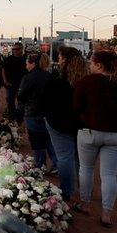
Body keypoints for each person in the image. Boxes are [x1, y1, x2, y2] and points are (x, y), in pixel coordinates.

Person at [73, 51, 117, 227]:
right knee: (109, 174)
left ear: (99, 65)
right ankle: (106, 214)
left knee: (86, 169)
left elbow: (76, 107)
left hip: (89, 131)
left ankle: (85, 204)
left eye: (92, 63)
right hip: (116, 134)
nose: (90, 65)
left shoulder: (86, 82)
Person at [42, 46, 86, 202]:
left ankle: (66, 190)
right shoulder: (85, 81)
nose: (58, 60)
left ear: (65, 60)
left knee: (64, 157)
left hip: (58, 123)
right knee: (81, 159)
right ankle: (84, 191)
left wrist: (47, 117)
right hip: (81, 124)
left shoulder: (58, 80)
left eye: (60, 57)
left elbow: (46, 100)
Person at [18, 53, 57, 171]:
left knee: (36, 140)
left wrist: (19, 114)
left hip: (32, 112)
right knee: (49, 139)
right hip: (48, 113)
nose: (26, 65)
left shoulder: (28, 77)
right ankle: (56, 163)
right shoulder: (49, 76)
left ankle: (40, 165)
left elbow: (21, 96)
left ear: (32, 64)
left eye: (27, 63)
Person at [1, 43, 27, 122]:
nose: (15, 51)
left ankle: (19, 119)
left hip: (22, 85)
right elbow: (3, 70)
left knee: (21, 103)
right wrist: (5, 81)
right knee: (10, 100)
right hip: (11, 84)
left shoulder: (25, 59)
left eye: (17, 49)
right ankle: (12, 117)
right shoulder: (9, 59)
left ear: (22, 49)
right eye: (13, 49)